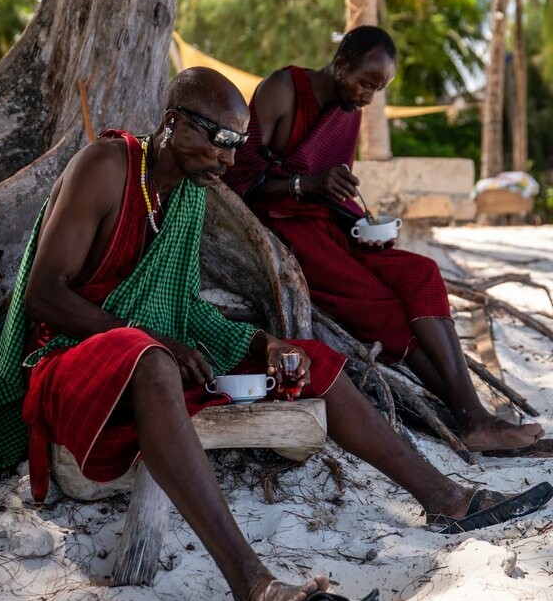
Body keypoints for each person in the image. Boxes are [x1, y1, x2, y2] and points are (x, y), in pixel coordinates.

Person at [0, 67, 552, 601]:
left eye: (238, 143)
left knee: (305, 357)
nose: (232, 157)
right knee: (151, 357)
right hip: (68, 360)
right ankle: (254, 587)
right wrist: (154, 340)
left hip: (141, 352)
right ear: (174, 122)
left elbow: (180, 310)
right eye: (221, 140)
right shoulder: (106, 165)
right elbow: (47, 294)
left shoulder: (187, 195)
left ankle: (444, 499)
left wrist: (265, 345)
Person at [224, 26, 544, 454]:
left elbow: (333, 190)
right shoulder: (283, 89)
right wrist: (305, 186)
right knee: (384, 306)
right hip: (280, 231)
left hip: (329, 226)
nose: (367, 97)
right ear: (340, 66)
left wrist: (363, 226)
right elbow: (237, 182)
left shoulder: (348, 110)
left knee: (422, 273)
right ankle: (473, 418)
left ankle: (475, 417)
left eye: (378, 90)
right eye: (364, 83)